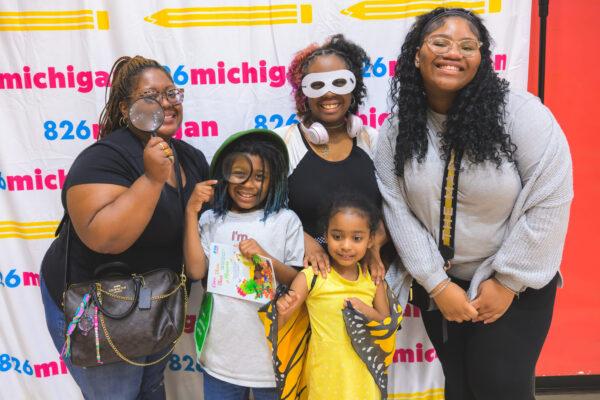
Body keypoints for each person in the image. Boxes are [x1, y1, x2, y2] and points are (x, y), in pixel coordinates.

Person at [375, 8, 573, 400]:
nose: (454, 53)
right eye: (440, 42)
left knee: (499, 387)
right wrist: (437, 284)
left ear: (482, 58)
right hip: (443, 288)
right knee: (461, 389)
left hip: (515, 287)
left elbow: (550, 197)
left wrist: (507, 281)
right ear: (417, 54)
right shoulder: (399, 129)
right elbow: (397, 208)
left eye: (468, 46)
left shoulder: (521, 114)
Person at [39, 55, 211, 399]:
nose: (166, 103)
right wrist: (151, 179)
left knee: (150, 389)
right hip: (99, 309)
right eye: (150, 96)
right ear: (124, 108)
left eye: (171, 93)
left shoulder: (191, 158)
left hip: (155, 304)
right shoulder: (103, 158)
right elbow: (105, 239)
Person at [184, 129, 304, 400]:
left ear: (273, 180)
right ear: (225, 175)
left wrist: (265, 259)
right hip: (221, 360)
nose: (248, 185)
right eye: (240, 174)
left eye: (259, 177)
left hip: (272, 362)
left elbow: (297, 281)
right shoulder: (212, 220)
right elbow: (195, 271)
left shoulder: (286, 221)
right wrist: (191, 211)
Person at [275, 34, 390, 284]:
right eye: (317, 85)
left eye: (339, 83)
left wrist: (374, 246)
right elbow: (265, 210)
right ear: (303, 92)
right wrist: (303, 240)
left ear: (354, 87)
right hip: (305, 281)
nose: (329, 93)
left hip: (367, 282)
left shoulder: (373, 141)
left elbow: (394, 208)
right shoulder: (283, 143)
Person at [276, 194, 391, 400]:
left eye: (356, 238)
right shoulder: (311, 277)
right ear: (326, 235)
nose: (346, 246)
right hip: (324, 379)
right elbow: (280, 323)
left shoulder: (373, 279)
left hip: (364, 380)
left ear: (370, 239)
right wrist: (283, 309)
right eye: (337, 236)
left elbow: (385, 325)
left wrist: (366, 311)